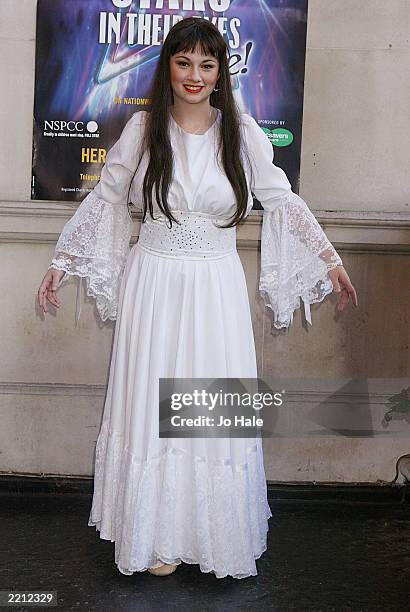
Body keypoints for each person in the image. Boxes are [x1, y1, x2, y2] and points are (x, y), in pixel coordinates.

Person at [37, 17, 357, 579]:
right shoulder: (142, 129)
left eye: (207, 64)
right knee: (154, 405)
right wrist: (62, 263)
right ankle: (156, 538)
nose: (195, 75)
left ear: (220, 73)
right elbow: (107, 200)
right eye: (184, 62)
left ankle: (213, 537)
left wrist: (329, 259)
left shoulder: (242, 130)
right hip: (155, 284)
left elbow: (281, 200)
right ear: (168, 67)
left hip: (216, 288)